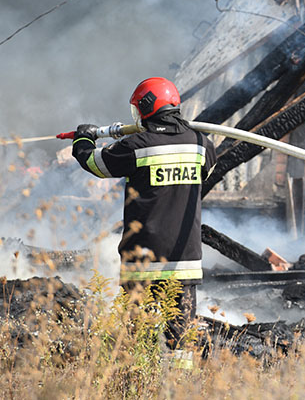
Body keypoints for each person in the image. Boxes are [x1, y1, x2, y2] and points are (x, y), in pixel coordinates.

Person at [71, 77, 216, 370]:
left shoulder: (137, 145)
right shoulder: (201, 144)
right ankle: (178, 388)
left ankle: (141, 385)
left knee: (138, 336)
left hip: (143, 263)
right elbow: (207, 171)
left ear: (147, 108)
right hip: (184, 264)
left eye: (138, 109)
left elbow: (94, 163)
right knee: (181, 342)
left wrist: (83, 139)